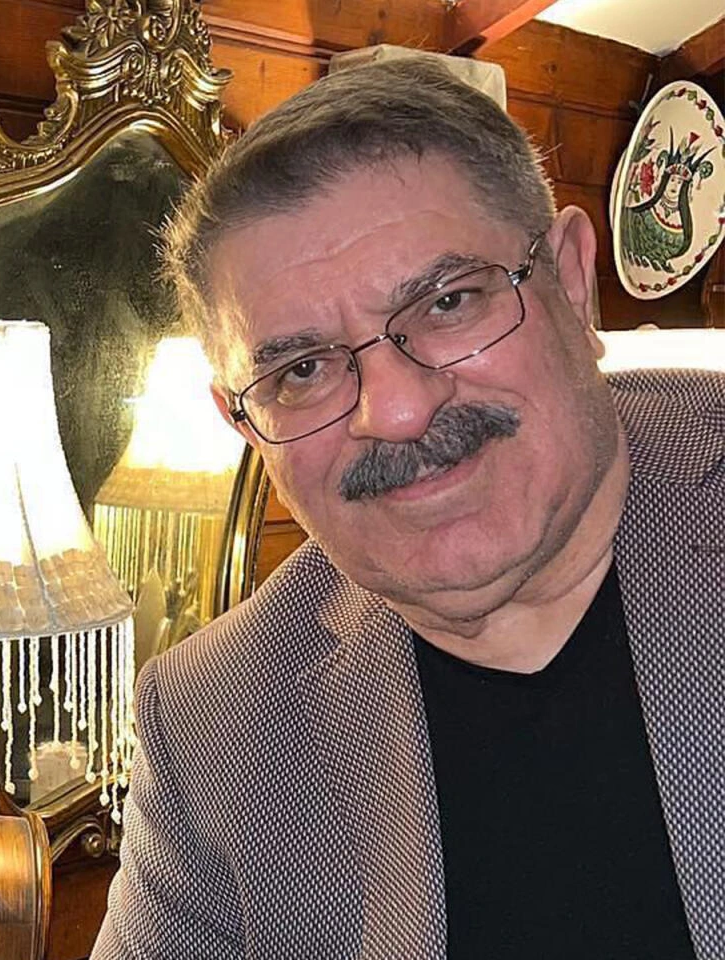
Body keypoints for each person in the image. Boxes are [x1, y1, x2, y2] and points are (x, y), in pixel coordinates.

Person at [92, 57, 724, 960]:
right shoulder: (214, 724)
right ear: (244, 423)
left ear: (573, 282)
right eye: (303, 370)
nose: (393, 410)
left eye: (448, 302)